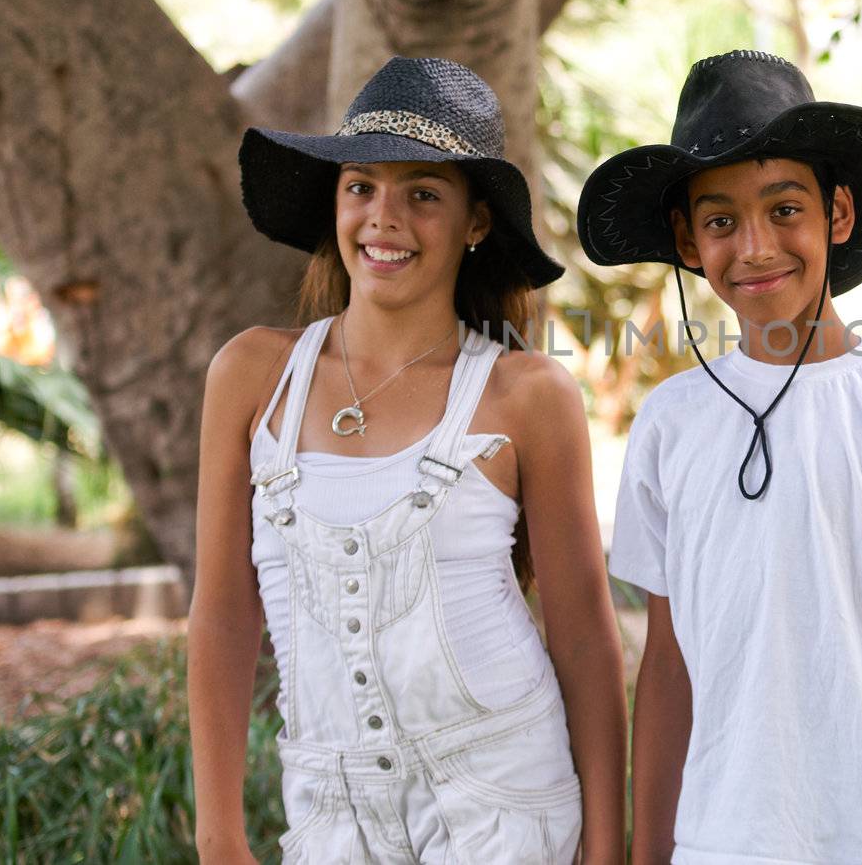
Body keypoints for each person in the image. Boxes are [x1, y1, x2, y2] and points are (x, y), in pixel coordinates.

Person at [577, 49, 862, 864]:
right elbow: (669, 666)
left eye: (785, 209)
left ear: (837, 213)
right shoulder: (670, 426)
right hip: (721, 844)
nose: (754, 247)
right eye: (719, 221)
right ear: (686, 240)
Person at [189, 56, 626, 864]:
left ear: (476, 222)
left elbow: (584, 637)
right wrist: (218, 837)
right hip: (330, 812)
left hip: (506, 804)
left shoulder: (525, 395)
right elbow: (221, 614)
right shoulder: (252, 376)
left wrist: (606, 849)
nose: (383, 218)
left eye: (422, 192)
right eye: (361, 186)